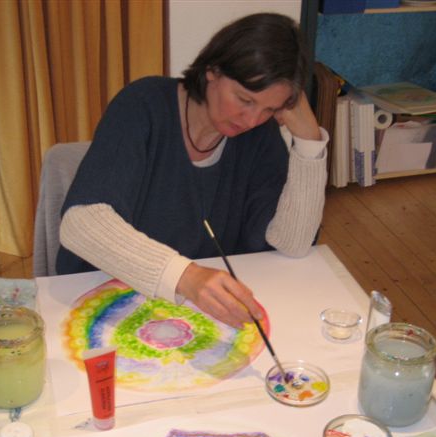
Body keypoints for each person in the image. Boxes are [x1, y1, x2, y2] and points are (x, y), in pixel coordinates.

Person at [57, 12, 328, 329]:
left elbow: (292, 243)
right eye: (244, 100)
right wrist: (185, 276)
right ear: (213, 70)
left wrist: (309, 142)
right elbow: (79, 223)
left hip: (190, 315)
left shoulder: (258, 135)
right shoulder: (142, 105)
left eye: (270, 109)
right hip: (103, 302)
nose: (252, 119)